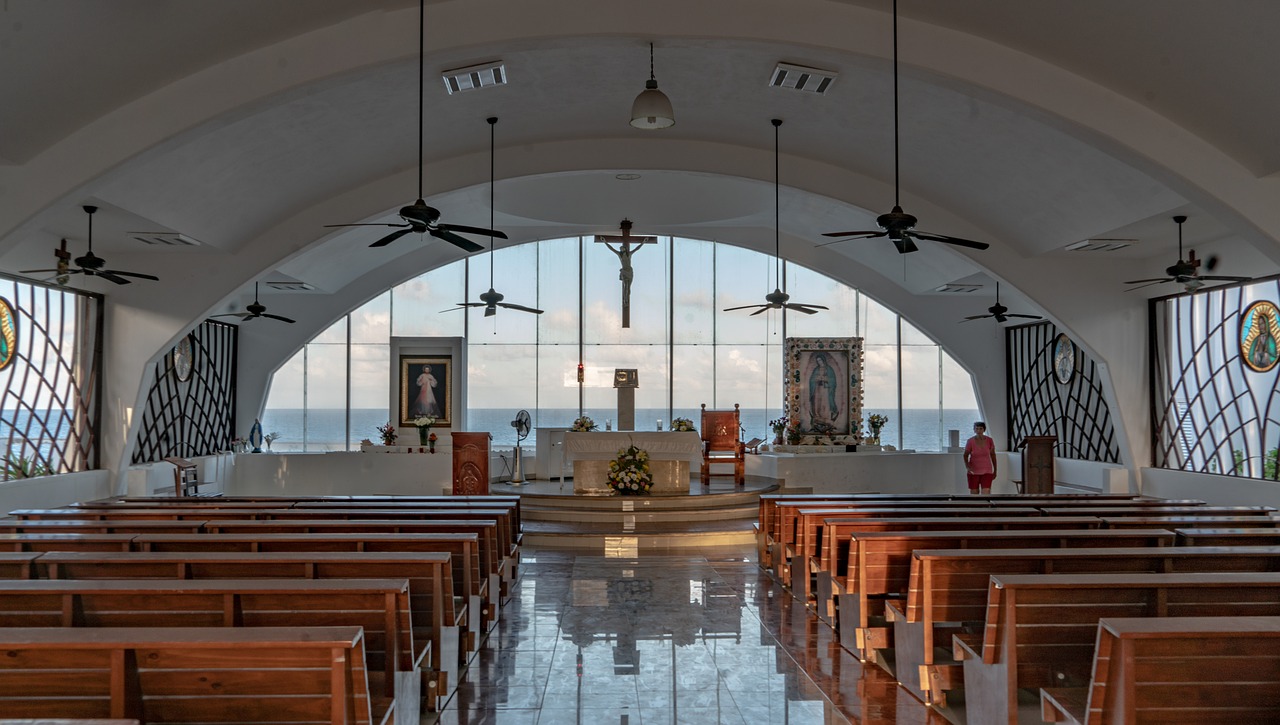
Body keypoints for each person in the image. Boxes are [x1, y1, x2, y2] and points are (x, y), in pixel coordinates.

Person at [807, 352, 839, 433]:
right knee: (817, 403)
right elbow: (811, 380)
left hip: (826, 389)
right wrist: (816, 379)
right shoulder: (816, 369)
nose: (819, 362)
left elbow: (833, 381)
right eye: (818, 361)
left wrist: (825, 379)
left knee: (825, 403)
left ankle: (826, 418)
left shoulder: (829, 369)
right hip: (817, 389)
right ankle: (817, 417)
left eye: (820, 361)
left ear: (823, 360)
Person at [963, 421, 997, 494]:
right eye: (977, 429)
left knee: (986, 491)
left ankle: (985, 505)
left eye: (980, 429)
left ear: (984, 430)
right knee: (974, 492)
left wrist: (995, 470)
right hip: (973, 471)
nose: (978, 430)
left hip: (987, 470)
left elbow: (993, 455)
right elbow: (965, 455)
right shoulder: (970, 441)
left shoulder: (989, 440)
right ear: (974, 430)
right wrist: (967, 466)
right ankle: (975, 505)